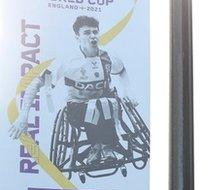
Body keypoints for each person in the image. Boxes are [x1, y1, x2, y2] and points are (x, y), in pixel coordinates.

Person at [9, 15, 137, 164]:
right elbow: (36, 83)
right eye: (87, 33)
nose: (93, 36)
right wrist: (23, 115)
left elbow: (122, 71)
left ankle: (104, 146)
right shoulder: (68, 60)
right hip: (78, 108)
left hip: (107, 105)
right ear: (77, 37)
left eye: (95, 32)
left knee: (106, 103)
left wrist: (128, 92)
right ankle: (101, 146)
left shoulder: (108, 57)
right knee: (95, 106)